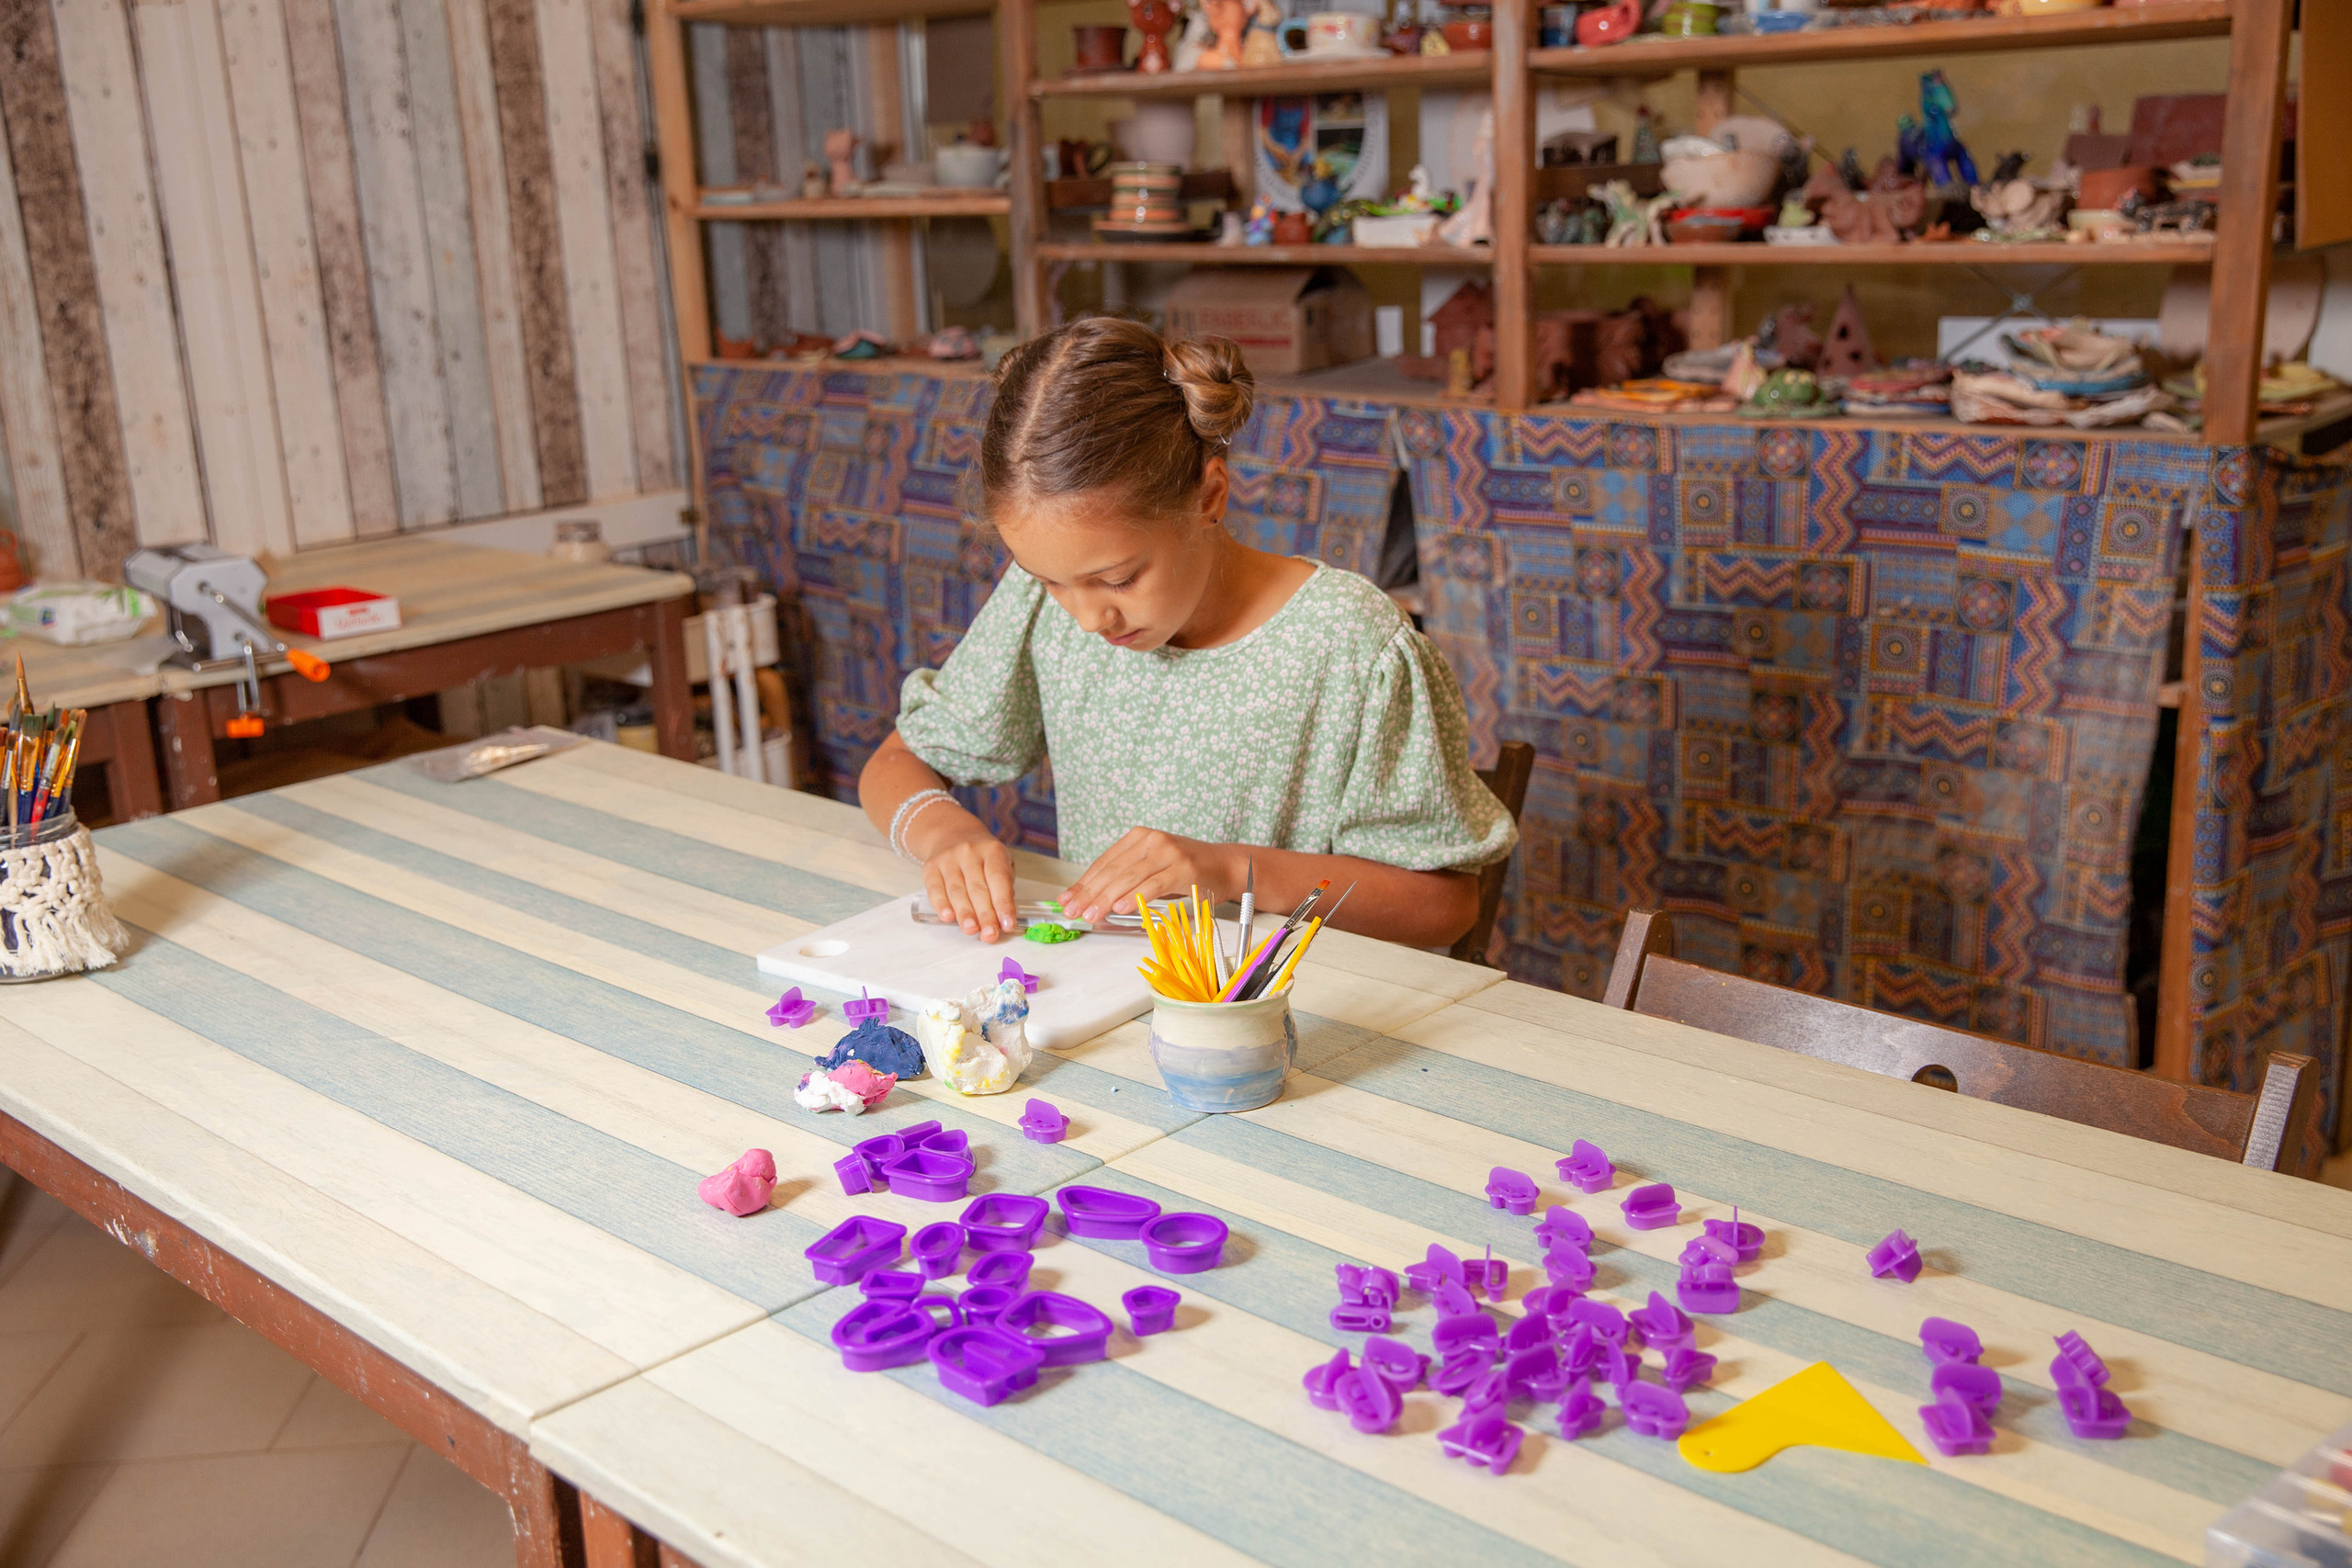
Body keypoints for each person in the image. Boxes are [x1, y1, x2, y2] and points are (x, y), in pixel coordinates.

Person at [858, 317, 1514, 948]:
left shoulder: (1350, 643)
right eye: (1052, 580)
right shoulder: (1042, 602)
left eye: (1118, 579)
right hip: (1112, 993)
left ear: (1209, 496)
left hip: (1280, 1019)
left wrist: (1232, 871)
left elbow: (1446, 905)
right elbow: (896, 763)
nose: (1088, 618)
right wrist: (942, 833)